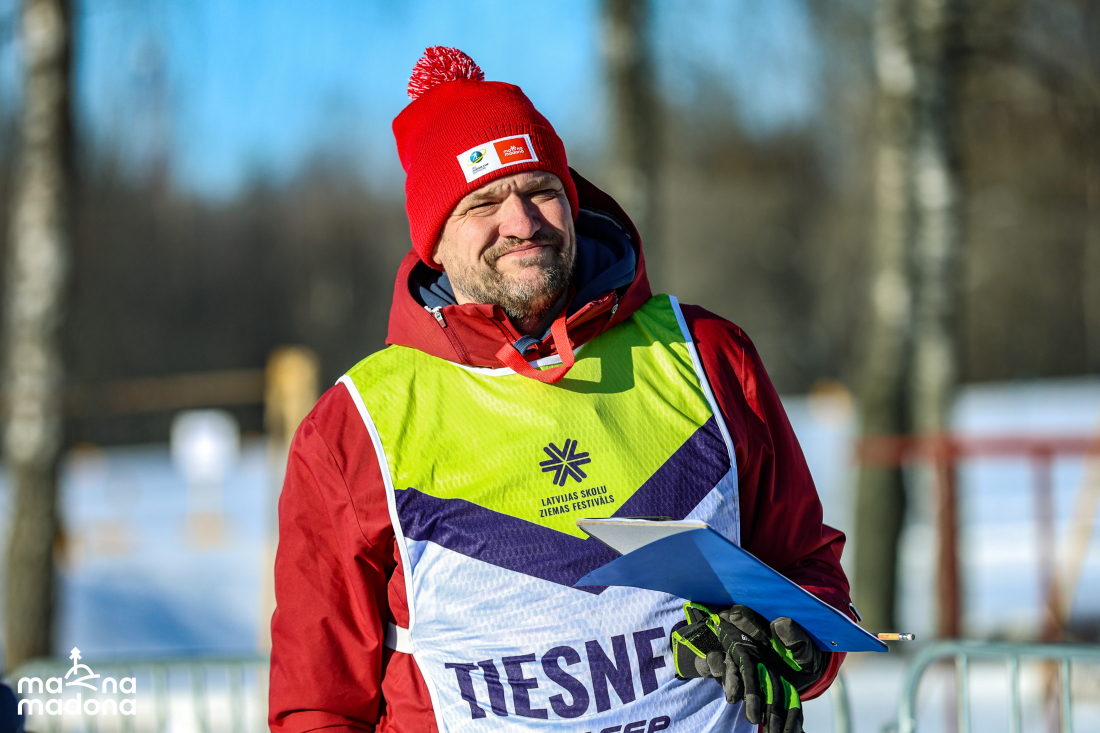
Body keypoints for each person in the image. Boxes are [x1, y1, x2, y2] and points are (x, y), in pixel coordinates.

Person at [268, 47, 854, 733]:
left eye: (540, 190)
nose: (522, 222)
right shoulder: (356, 427)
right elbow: (319, 703)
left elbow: (807, 572)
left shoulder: (706, 355)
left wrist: (799, 643)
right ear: (435, 239)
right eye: (483, 202)